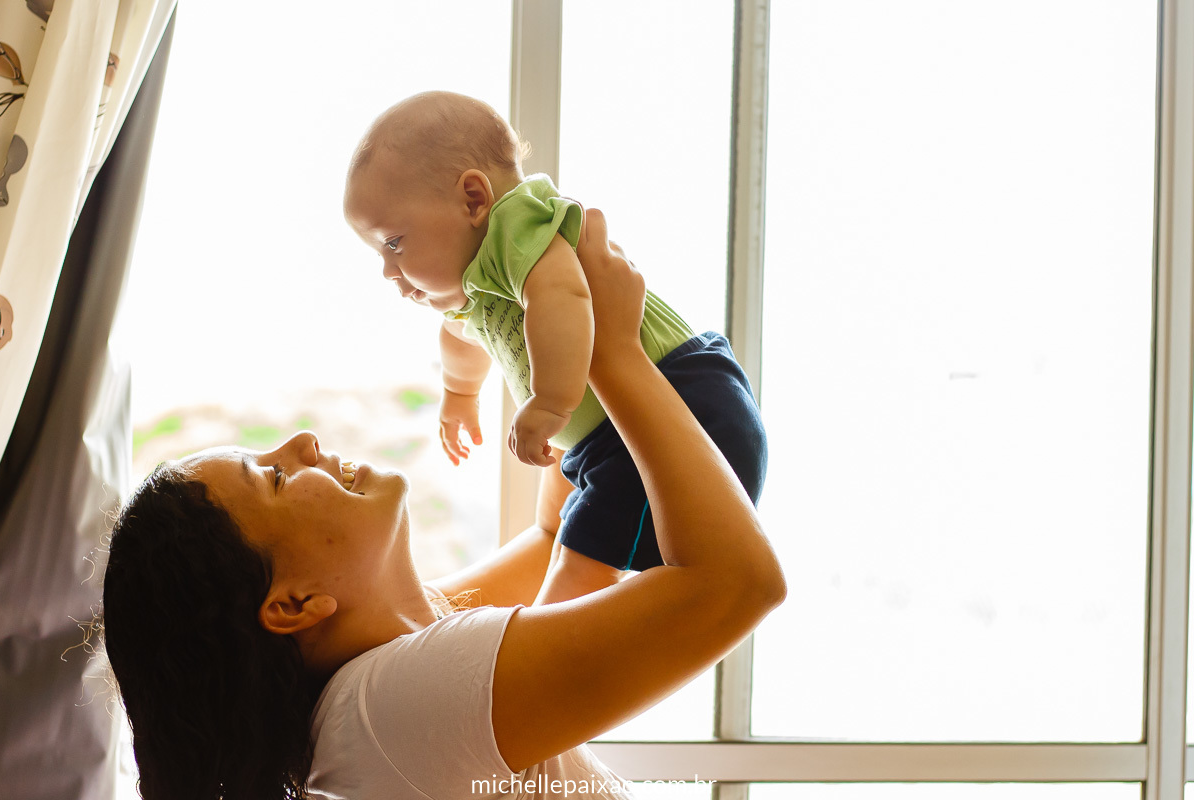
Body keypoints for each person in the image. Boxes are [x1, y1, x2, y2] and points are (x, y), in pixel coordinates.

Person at [99, 209, 786, 800]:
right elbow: (736, 585)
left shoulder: (383, 678)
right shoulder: (394, 707)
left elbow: (555, 534)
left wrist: (548, 344)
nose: (303, 442)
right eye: (273, 478)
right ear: (292, 604)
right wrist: (614, 355)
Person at [343, 91, 768, 605]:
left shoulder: (517, 226)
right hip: (613, 438)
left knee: (580, 562)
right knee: (575, 547)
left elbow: (563, 297)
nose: (389, 272)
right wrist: (460, 395)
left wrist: (548, 402)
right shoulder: (474, 283)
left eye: (393, 243)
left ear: (474, 199)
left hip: (685, 404)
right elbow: (460, 336)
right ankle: (536, 636)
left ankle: (544, 648)